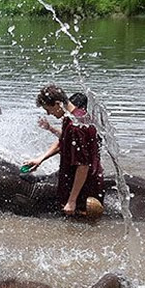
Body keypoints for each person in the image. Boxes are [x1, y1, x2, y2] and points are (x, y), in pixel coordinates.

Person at [24, 84, 104, 217]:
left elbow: (83, 166)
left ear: (57, 104)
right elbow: (63, 142)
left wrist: (72, 201)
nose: (49, 114)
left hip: (84, 189)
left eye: (48, 110)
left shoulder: (76, 126)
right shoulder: (72, 117)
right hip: (75, 183)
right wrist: (40, 159)